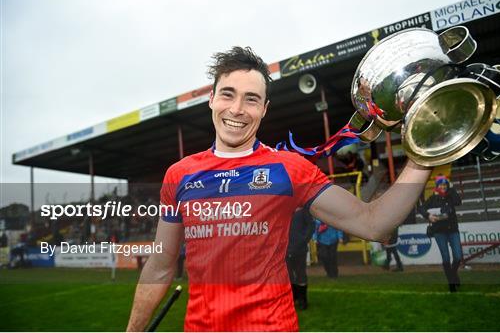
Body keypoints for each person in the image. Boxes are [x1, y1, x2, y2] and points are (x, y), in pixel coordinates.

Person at [127, 46, 433, 331]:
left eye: (251, 99)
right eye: (228, 94)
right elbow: (159, 266)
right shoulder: (178, 175)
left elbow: (372, 223)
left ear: (264, 109)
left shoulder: (289, 169)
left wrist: (424, 154)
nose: (237, 109)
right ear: (212, 98)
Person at [420, 175, 462, 292]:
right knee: (446, 258)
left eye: (445, 185)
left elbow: (458, 201)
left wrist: (452, 188)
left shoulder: (451, 196)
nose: (443, 187)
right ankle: (451, 283)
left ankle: (453, 276)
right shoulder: (433, 198)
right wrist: (428, 216)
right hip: (439, 231)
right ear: (437, 186)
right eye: (440, 185)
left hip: (453, 229)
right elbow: (421, 208)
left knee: (458, 256)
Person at [286, 208, 315, 310]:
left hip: (300, 249)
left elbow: (311, 226)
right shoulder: (283, 209)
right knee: (288, 275)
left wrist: (303, 240)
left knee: (300, 273)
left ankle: (303, 300)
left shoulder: (303, 211)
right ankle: (293, 298)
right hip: (284, 249)